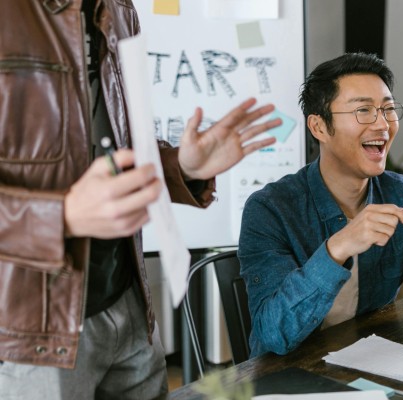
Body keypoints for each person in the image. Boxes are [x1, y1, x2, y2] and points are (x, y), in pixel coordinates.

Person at [0, 2, 280, 399]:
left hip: (128, 299)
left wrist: (183, 166)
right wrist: (62, 216)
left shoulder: (117, 8)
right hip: (35, 327)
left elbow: (120, 150)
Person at [238, 52, 403, 358]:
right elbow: (274, 336)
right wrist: (339, 247)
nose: (382, 124)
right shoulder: (270, 209)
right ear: (319, 127)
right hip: (286, 375)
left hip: (368, 359)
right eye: (363, 110)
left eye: (388, 109)